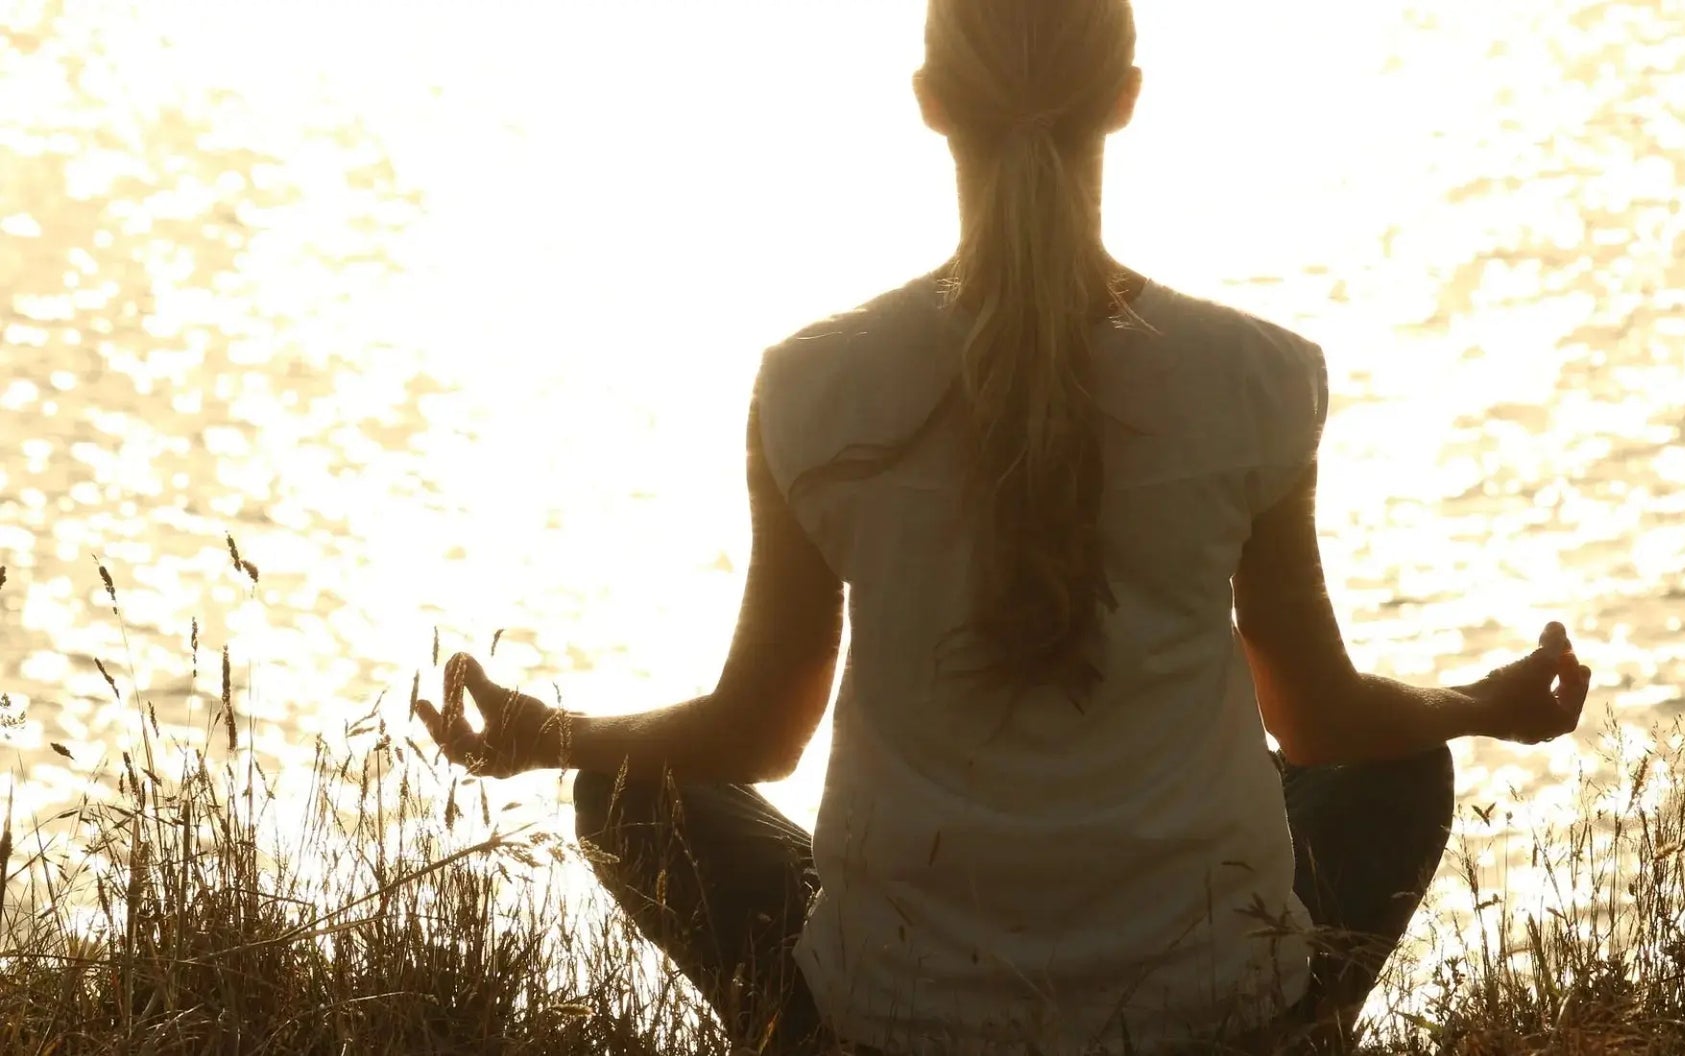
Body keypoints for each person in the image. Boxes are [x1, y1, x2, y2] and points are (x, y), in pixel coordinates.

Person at [411, 1, 1591, 1052]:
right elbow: (1318, 716)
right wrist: (1482, 707)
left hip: (899, 1016)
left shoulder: (813, 387)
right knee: (1396, 769)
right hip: (1207, 1005)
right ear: (1127, 99)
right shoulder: (1258, 377)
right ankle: (1280, 1034)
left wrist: (547, 733)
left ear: (929, 104)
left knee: (626, 793)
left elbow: (759, 734)